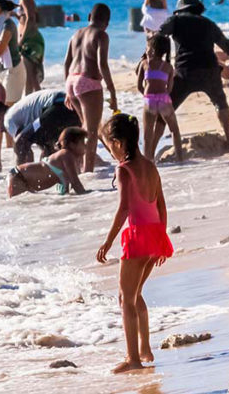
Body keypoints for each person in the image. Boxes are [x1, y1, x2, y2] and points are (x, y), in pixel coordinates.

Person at [96, 114, 173, 374]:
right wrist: (162, 238)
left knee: (125, 298)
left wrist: (107, 242)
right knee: (136, 293)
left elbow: (124, 208)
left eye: (108, 147)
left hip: (137, 236)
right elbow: (161, 204)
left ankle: (133, 358)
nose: (110, 153)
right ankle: (145, 348)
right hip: (154, 235)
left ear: (118, 143)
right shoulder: (150, 166)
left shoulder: (123, 169)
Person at [157, 0, 229, 150]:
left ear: (179, 9)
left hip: (184, 73)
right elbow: (228, 47)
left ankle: (150, 149)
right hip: (210, 71)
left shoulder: (174, 20)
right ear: (198, 9)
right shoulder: (208, 23)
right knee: (220, 102)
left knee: (165, 110)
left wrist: (154, 60)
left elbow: (159, 36)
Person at [63, 4, 118, 173]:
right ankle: (88, 171)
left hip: (71, 81)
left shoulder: (76, 34)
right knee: (92, 132)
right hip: (88, 82)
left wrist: (67, 90)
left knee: (84, 128)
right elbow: (102, 64)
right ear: (107, 22)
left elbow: (66, 63)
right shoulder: (102, 35)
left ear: (88, 17)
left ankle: (77, 167)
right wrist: (112, 91)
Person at [136, 35, 183, 162]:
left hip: (149, 100)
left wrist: (147, 96)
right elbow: (169, 88)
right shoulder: (168, 67)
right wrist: (162, 96)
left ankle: (148, 162)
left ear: (151, 49)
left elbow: (139, 85)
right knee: (174, 130)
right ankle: (180, 159)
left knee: (147, 135)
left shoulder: (144, 64)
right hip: (164, 99)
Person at [7, 127, 89, 198]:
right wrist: (93, 195)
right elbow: (76, 185)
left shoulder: (65, 158)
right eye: (83, 142)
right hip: (18, 176)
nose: (85, 146)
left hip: (21, 177)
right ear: (72, 144)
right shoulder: (66, 154)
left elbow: (65, 193)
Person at [4, 89, 79, 164]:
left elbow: (21, 142)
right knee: (48, 147)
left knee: (21, 141)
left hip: (57, 106)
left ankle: (20, 173)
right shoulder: (20, 110)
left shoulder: (7, 119)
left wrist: (23, 167)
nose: (0, 131)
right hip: (74, 106)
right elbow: (38, 134)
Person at [6, 0, 44, 94]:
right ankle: (29, 102)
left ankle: (37, 103)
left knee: (31, 77)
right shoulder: (24, 0)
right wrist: (17, 16)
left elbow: (31, 18)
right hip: (28, 39)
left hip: (30, 40)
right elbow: (25, 19)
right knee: (29, 76)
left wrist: (21, 39)